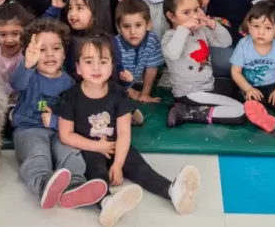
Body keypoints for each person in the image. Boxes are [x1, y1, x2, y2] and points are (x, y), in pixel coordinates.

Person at [55, 35, 201, 227]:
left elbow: (124, 132)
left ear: (112, 66)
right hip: (88, 148)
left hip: (116, 146)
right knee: (96, 173)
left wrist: (118, 164)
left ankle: (172, 192)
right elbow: (65, 135)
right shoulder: (70, 96)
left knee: (141, 168)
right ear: (78, 68)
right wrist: (96, 147)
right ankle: (107, 203)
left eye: (103, 62)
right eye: (89, 62)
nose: (96, 68)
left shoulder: (118, 93)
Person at [10, 19, 108, 210]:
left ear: (64, 53)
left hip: (59, 130)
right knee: (38, 155)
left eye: (56, 48)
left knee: (71, 153)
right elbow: (16, 83)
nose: (49, 55)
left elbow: (73, 115)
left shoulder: (69, 83)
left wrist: (56, 122)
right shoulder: (29, 75)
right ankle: (44, 186)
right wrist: (27, 64)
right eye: (41, 50)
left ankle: (75, 187)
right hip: (28, 129)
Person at [162, 0, 245, 127]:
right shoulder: (170, 37)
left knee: (236, 88)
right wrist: (183, 28)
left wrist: (211, 24)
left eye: (196, 10)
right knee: (240, 111)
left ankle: (196, 107)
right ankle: (187, 112)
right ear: (171, 16)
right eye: (186, 12)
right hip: (189, 92)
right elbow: (173, 53)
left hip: (207, 84)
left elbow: (225, 42)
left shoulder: (201, 31)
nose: (194, 16)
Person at [229, 0, 275, 133]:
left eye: (268, 28)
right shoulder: (244, 45)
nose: (260, 32)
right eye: (256, 26)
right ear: (249, 26)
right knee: (251, 103)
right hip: (250, 86)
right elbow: (235, 71)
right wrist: (248, 89)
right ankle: (264, 119)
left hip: (273, 85)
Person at [114, 0, 165, 103]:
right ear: (119, 28)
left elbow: (152, 68)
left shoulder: (151, 40)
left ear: (148, 24)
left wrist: (145, 94)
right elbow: (109, 74)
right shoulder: (114, 44)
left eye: (138, 25)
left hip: (136, 82)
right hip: (116, 85)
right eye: (126, 26)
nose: (133, 31)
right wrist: (129, 91)